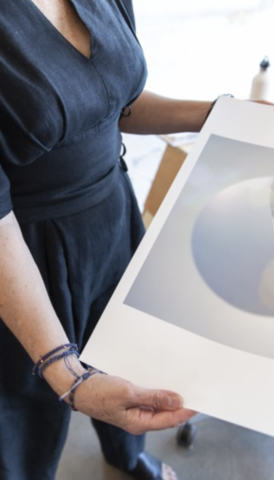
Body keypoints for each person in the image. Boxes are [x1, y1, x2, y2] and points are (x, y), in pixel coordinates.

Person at [0, 1, 221, 479]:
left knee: (128, 358)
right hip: (23, 250)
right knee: (27, 412)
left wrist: (218, 114)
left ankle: (126, 457)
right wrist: (68, 375)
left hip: (114, 217)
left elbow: (116, 104)